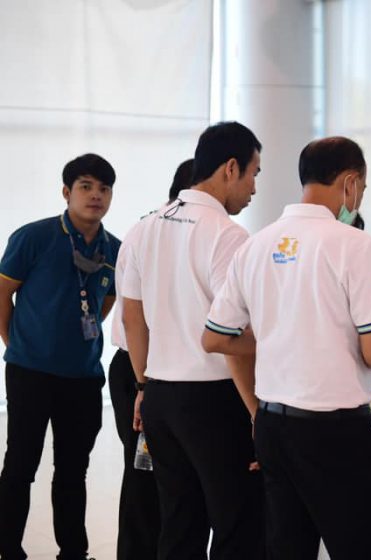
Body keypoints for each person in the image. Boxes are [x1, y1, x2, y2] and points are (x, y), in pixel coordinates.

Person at [202, 136, 371, 559]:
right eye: (362, 189)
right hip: (336, 432)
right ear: (350, 182)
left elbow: (215, 338)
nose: (359, 199)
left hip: (273, 426)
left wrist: (279, 332)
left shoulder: (255, 245)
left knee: (287, 546)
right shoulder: (353, 244)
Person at [119, 123, 264, 559]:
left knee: (179, 524)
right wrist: (256, 411)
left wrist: (143, 386)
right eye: (254, 174)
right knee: (238, 523)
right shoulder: (226, 234)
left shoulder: (146, 226)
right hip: (214, 401)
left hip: (161, 397)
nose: (254, 188)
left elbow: (132, 318)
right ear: (231, 168)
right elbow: (229, 333)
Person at [0, 154, 120, 560]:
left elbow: (104, 303)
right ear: (67, 192)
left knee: (73, 470)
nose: (95, 195)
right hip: (30, 372)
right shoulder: (33, 237)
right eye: (86, 186)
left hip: (83, 377)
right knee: (20, 466)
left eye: (104, 189)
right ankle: (8, 550)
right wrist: (17, 343)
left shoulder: (115, 249)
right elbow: (2, 295)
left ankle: (73, 552)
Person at [107, 158, 194, 560]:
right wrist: (144, 384)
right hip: (143, 369)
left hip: (158, 370)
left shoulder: (161, 230)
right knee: (145, 478)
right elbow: (132, 316)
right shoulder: (152, 232)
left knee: (171, 480)